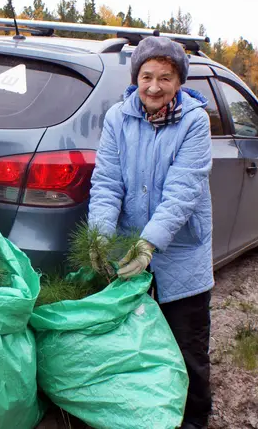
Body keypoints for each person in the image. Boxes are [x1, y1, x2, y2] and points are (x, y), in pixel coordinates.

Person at [87, 36, 214, 429]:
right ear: (135, 77)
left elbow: (182, 193)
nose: (154, 87)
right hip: (127, 248)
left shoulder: (195, 122)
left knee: (186, 345)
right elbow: (107, 183)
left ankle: (192, 419)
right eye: (146, 76)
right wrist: (100, 237)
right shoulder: (118, 118)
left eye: (165, 77)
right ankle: (141, 414)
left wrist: (149, 243)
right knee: (131, 341)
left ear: (179, 81)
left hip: (181, 250)